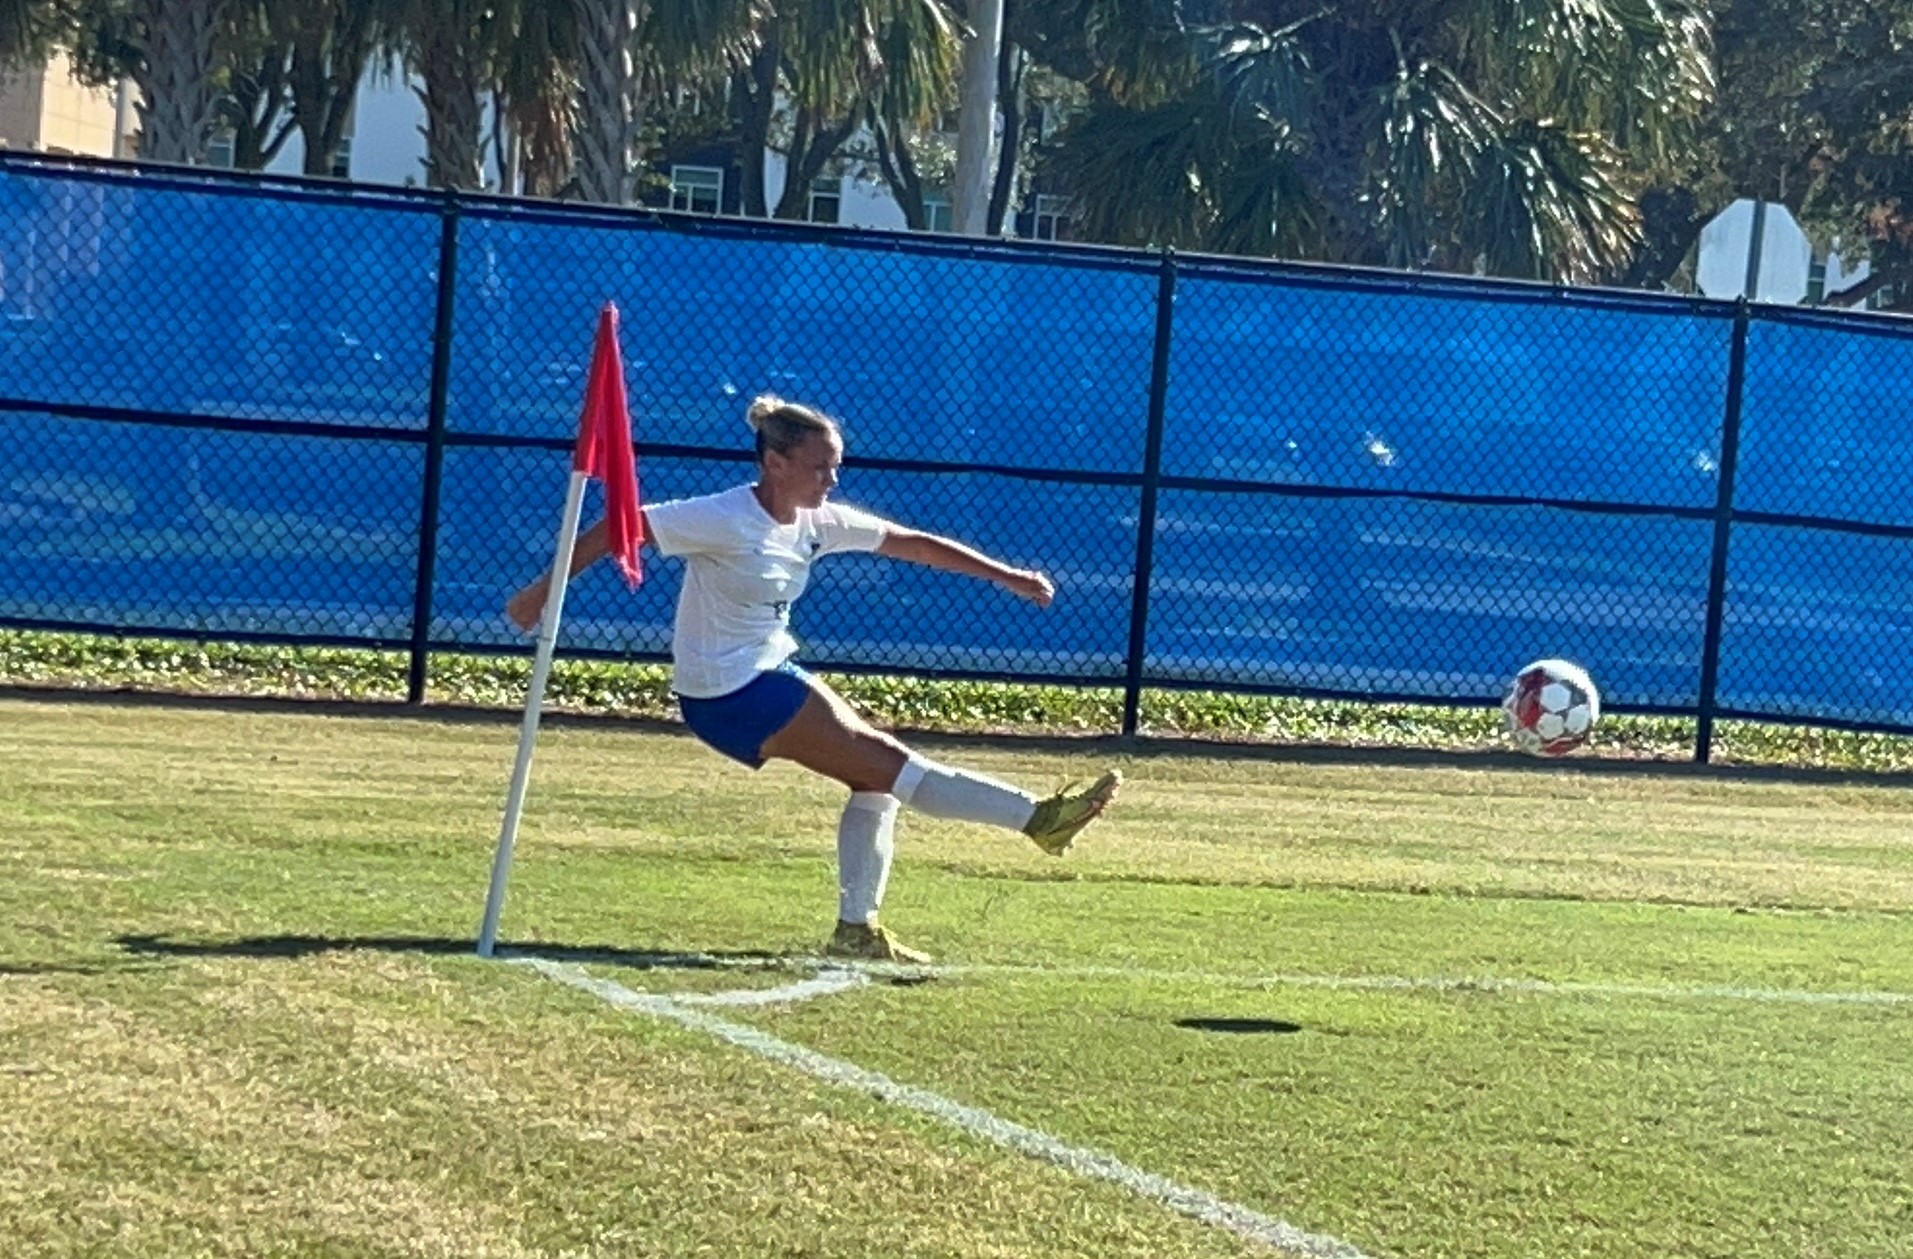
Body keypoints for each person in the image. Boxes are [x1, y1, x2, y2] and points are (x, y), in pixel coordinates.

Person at [506, 395, 1121, 964]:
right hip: (727, 693)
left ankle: (858, 929)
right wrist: (542, 590)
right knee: (893, 766)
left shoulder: (814, 521)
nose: (831, 480)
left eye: (836, 466)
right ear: (774, 462)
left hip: (770, 671)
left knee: (874, 781)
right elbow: (621, 524)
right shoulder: (722, 516)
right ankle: (1039, 819)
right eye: (819, 467)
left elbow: (910, 543)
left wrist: (1007, 575)